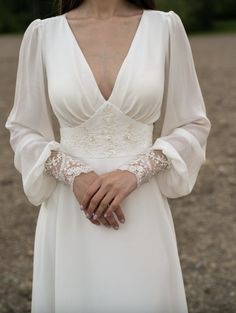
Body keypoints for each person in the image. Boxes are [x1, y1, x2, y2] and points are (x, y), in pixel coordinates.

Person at [5, 0, 211, 312]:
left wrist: (137, 170)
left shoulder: (165, 28)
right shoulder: (43, 35)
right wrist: (72, 173)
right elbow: (23, 129)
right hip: (71, 211)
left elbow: (193, 124)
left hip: (141, 208)